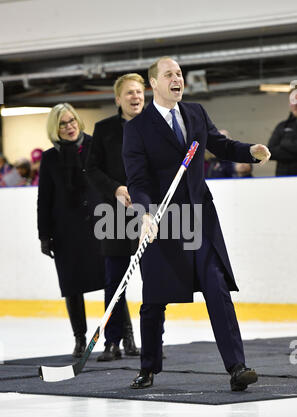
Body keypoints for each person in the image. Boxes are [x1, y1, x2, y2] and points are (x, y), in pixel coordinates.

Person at [122, 56, 271, 391]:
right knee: (155, 298)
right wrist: (145, 213)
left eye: (179, 73)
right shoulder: (137, 128)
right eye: (169, 74)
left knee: (216, 286)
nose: (177, 79)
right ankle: (148, 367)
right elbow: (137, 179)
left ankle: (237, 367)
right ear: (154, 84)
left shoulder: (196, 113)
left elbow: (220, 145)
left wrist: (250, 151)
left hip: (200, 218)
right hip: (163, 221)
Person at [37, 103, 105, 357]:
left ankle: (122, 338)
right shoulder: (50, 158)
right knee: (72, 286)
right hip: (66, 230)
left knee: (112, 283)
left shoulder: (95, 147)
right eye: (63, 124)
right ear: (55, 128)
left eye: (72, 121)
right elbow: (44, 199)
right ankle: (80, 338)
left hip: (100, 225)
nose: (69, 126)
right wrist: (44, 234)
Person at [87, 73, 145, 361]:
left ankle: (146, 340)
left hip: (149, 212)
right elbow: (92, 168)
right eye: (130, 93)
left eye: (139, 92)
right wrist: (116, 188)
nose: (136, 97)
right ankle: (113, 342)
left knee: (154, 278)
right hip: (113, 213)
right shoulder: (104, 129)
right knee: (114, 279)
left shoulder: (156, 126)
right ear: (118, 99)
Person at [268, 88, 297, 176]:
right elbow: (270, 152)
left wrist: (284, 144)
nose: (296, 104)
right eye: (293, 100)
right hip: (283, 180)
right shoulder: (281, 126)